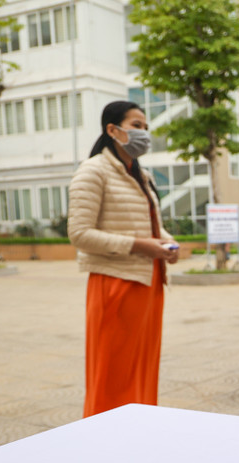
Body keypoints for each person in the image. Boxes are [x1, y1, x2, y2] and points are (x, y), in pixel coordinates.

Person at [68, 100, 179, 418]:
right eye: (136, 125)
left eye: (145, 126)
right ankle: (104, 440)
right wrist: (139, 246)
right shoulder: (93, 171)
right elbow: (79, 233)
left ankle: (139, 431)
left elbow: (146, 222)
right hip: (115, 285)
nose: (144, 132)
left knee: (142, 367)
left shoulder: (139, 174)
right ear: (112, 130)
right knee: (113, 374)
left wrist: (166, 242)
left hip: (148, 283)